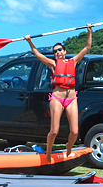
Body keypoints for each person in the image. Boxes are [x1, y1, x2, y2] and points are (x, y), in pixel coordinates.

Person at [24, 24, 93, 162]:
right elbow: (37, 54)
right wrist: (30, 41)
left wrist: (89, 31)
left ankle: (69, 146)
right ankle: (48, 152)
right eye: (55, 51)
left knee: (74, 132)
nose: (58, 52)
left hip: (72, 99)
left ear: (65, 51)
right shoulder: (53, 64)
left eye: (60, 50)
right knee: (54, 131)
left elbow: (87, 47)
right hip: (57, 98)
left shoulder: (73, 62)